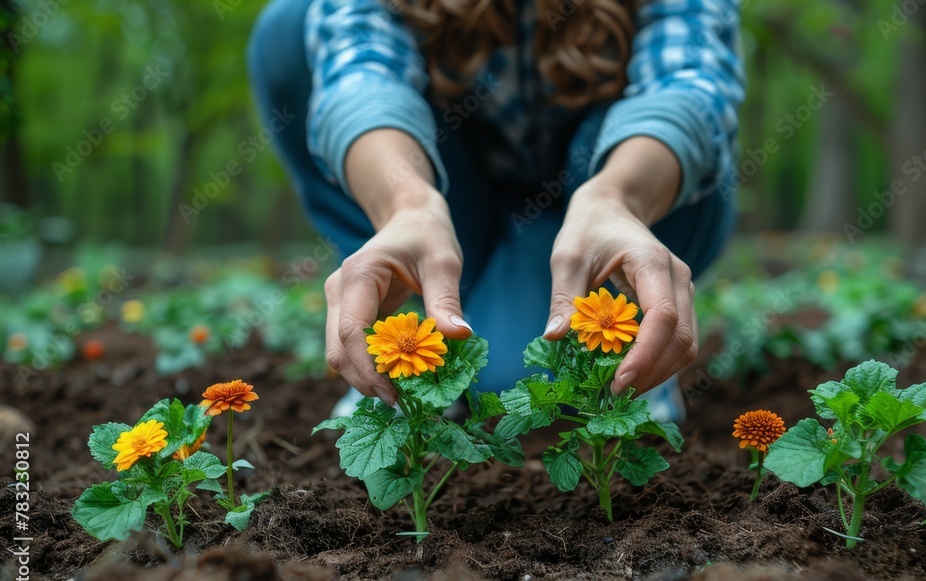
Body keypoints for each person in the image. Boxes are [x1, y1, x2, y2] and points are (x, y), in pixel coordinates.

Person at [248, 0, 744, 421]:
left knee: (530, 388)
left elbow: (689, 84)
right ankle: (416, 302)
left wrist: (616, 199)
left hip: (618, 184)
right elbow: (360, 76)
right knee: (288, 29)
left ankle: (629, 321)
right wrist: (409, 204)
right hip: (459, 200)